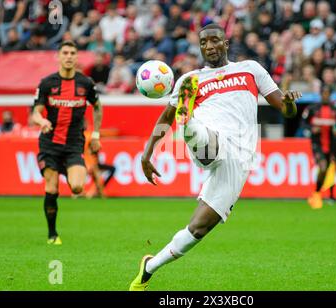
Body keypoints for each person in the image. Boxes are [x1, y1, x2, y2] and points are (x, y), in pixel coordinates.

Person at [129, 24, 302, 291]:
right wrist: (147, 152)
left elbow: (286, 110)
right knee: (197, 132)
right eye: (203, 42)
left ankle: (149, 267)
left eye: (214, 40)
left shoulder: (250, 70)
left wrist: (290, 102)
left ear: (226, 43)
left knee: (198, 229)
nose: (209, 46)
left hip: (239, 158)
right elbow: (165, 118)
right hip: (209, 139)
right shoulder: (192, 78)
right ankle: (187, 122)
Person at [31, 40, 103, 245]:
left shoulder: (86, 83)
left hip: (73, 145)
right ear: (59, 56)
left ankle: (66, 170)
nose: (69, 56)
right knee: (52, 188)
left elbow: (98, 106)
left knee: (78, 188)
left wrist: (96, 135)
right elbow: (34, 112)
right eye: (65, 53)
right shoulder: (47, 83)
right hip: (50, 144)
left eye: (73, 53)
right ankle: (52, 234)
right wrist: (41, 120)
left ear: (77, 57)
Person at [303, 86, 336, 209]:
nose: (325, 96)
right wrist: (311, 129)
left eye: (327, 94)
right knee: (323, 166)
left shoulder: (335, 110)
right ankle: (317, 193)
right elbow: (303, 123)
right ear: (320, 95)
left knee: (327, 169)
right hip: (317, 144)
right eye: (323, 93)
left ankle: (316, 193)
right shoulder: (313, 109)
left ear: (330, 95)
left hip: (331, 145)